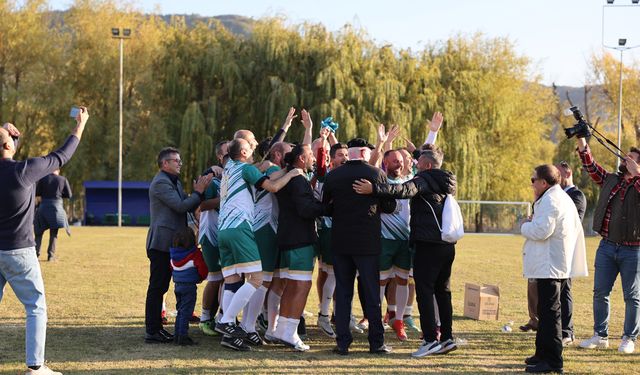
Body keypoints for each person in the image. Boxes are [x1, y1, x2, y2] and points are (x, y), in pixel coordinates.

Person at [0, 108, 89, 375]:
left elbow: (7, 150)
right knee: (36, 307)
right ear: (9, 144)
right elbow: (62, 154)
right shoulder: (23, 171)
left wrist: (7, 134)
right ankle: (35, 367)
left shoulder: (19, 169)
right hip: (19, 251)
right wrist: (80, 125)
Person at [353, 144, 458, 357]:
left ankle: (430, 340)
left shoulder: (424, 180)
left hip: (428, 245)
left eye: (418, 164)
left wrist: (374, 189)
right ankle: (446, 337)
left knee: (425, 292)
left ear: (427, 166)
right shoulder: (446, 181)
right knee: (443, 291)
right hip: (447, 246)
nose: (415, 167)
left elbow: (402, 190)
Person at [214, 136, 301, 351]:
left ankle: (229, 333)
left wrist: (281, 171)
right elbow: (272, 187)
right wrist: (292, 173)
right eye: (251, 146)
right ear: (243, 153)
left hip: (223, 229)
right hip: (240, 228)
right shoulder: (246, 168)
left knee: (233, 280)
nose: (254, 149)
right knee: (257, 278)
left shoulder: (230, 168)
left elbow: (263, 176)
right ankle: (227, 323)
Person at [322, 138, 396, 356]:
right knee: (372, 292)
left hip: (341, 240)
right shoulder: (375, 174)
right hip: (367, 241)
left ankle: (343, 342)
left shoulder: (333, 175)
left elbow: (326, 207)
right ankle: (376, 342)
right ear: (365, 152)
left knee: (343, 293)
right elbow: (390, 206)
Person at [520, 164, 588, 374]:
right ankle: (541, 353)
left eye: (533, 180)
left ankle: (553, 360)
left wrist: (525, 225)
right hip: (551, 263)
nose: (532, 184)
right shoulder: (555, 196)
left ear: (543, 182)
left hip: (550, 264)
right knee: (545, 311)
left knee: (550, 314)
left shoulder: (551, 199)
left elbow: (541, 230)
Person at [576, 136, 640, 354]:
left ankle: (629, 338)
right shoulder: (612, 179)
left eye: (631, 159)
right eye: (626, 158)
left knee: (632, 296)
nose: (626, 160)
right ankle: (600, 336)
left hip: (634, 250)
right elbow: (590, 166)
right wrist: (581, 139)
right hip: (607, 246)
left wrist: (638, 173)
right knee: (600, 292)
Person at [144, 147, 213, 344]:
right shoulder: (161, 183)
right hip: (160, 243)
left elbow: (187, 205)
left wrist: (197, 196)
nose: (180, 163)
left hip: (170, 243)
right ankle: (152, 330)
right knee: (157, 287)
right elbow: (181, 206)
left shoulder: (173, 181)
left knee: (162, 286)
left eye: (179, 160)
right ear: (165, 163)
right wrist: (198, 192)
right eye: (176, 160)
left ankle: (158, 328)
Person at [272, 144, 325, 351]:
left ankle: (283, 328)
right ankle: (290, 331)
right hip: (300, 240)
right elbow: (305, 209)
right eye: (311, 154)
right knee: (301, 286)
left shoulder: (288, 177)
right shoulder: (298, 179)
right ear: (302, 159)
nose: (313, 157)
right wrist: (327, 207)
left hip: (286, 238)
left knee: (290, 286)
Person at [315, 142, 349, 338]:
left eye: (346, 154)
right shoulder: (327, 176)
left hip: (343, 230)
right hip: (329, 230)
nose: (344, 158)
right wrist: (321, 144)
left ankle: (339, 316)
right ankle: (324, 315)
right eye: (340, 155)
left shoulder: (348, 175)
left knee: (341, 275)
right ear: (332, 159)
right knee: (333, 274)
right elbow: (320, 170)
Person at [378, 149, 412, 342]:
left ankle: (399, 321)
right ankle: (377, 320)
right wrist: (384, 142)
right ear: (386, 163)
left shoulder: (410, 182)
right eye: (395, 161)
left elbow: (427, 159)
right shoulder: (380, 182)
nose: (399, 164)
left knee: (403, 280)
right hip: (384, 240)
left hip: (404, 241)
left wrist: (432, 132)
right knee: (381, 282)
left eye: (401, 161)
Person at [170, 227, 208, 345]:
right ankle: (183, 336)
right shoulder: (195, 254)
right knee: (186, 312)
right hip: (189, 287)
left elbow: (172, 268)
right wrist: (201, 278)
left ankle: (177, 334)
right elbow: (202, 269)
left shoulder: (173, 254)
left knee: (180, 310)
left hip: (178, 285)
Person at [34, 169, 72, 261]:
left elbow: (37, 193)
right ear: (58, 170)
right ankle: (51, 256)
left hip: (43, 208)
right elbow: (69, 195)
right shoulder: (62, 179)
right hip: (56, 208)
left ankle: (35, 255)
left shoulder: (42, 179)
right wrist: (58, 194)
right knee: (53, 233)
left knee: (39, 233)